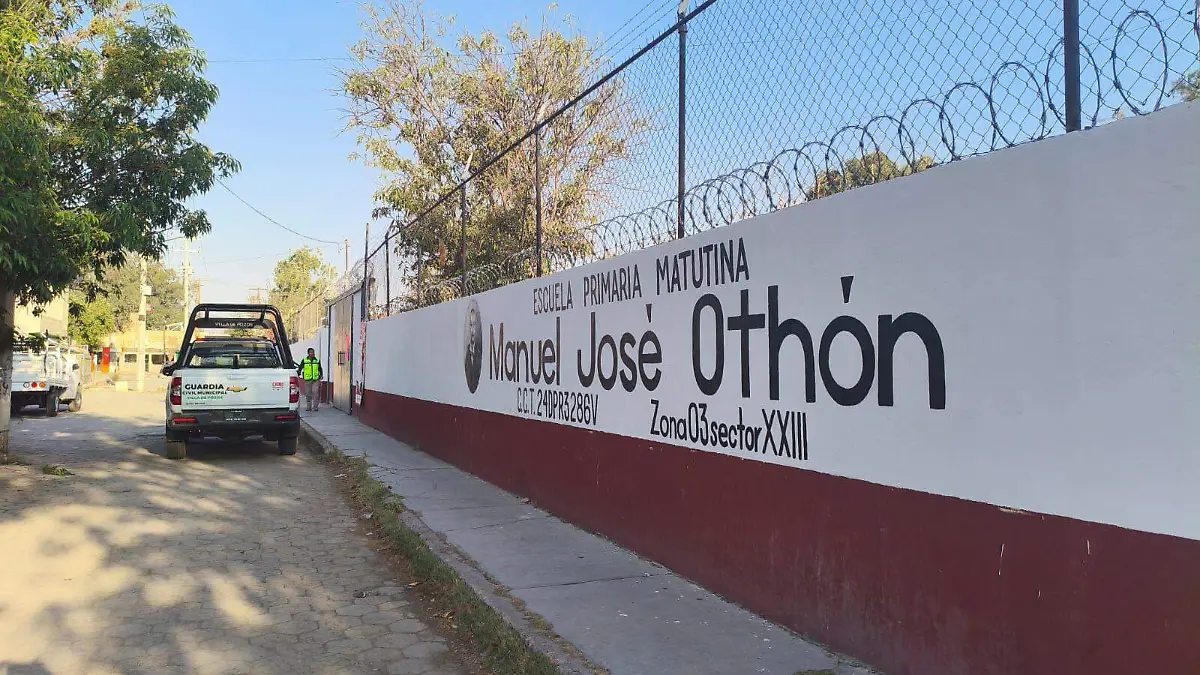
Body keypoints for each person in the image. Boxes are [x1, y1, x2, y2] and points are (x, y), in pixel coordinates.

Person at [297, 348, 323, 412]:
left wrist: (321, 375)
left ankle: (315, 407)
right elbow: (300, 367)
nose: (312, 353)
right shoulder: (304, 360)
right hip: (307, 380)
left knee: (315, 392)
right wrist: (298, 373)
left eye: (313, 352)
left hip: (315, 379)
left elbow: (320, 368)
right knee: (308, 393)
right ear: (308, 353)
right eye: (311, 352)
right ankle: (308, 407)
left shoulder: (317, 360)